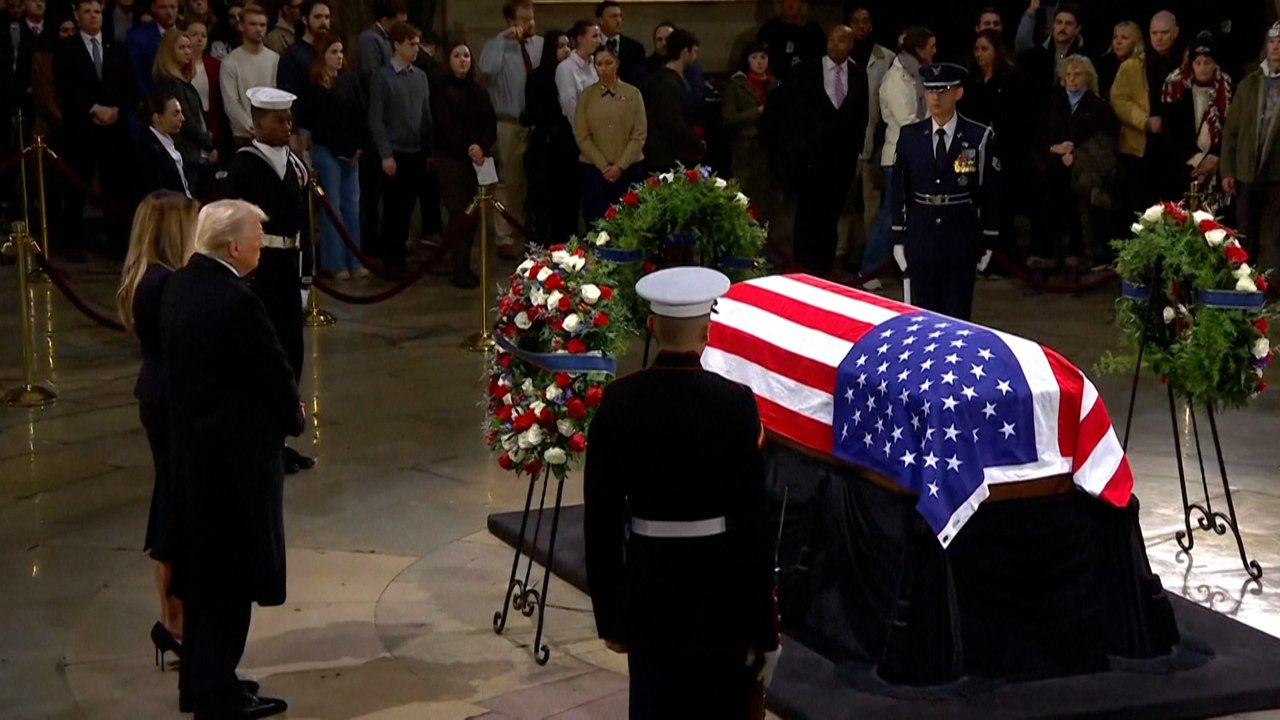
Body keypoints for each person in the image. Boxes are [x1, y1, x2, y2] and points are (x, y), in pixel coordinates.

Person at [584, 266, 780, 719]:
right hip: (720, 600)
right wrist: (763, 630)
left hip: (648, 594)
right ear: (707, 330)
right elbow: (752, 528)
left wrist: (611, 615)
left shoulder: (619, 402)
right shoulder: (735, 403)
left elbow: (601, 522)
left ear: (652, 327)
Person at [161, 198, 301, 719]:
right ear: (234, 246)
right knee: (229, 584)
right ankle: (218, 696)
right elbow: (273, 369)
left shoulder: (180, 286)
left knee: (202, 583)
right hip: (234, 466)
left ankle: (201, 683)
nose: (263, 247)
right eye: (258, 239)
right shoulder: (237, 301)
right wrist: (294, 416)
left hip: (194, 460)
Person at [115, 189, 199, 674]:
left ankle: (174, 622)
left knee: (168, 504)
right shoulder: (164, 284)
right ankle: (175, 623)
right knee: (171, 511)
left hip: (158, 395)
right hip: (170, 401)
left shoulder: (146, 278)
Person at [226, 86, 315, 475]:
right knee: (263, 355)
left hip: (289, 266)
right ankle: (261, 442)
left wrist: (307, 275)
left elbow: (306, 224)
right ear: (257, 123)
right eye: (278, 120)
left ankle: (279, 438)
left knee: (290, 355)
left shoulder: (294, 164)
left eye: (289, 119)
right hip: (260, 269)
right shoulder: (244, 166)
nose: (286, 126)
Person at [890, 63, 1000, 320]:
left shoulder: (978, 136)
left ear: (958, 94)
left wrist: (989, 238)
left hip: (959, 235)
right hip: (922, 234)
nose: (936, 97)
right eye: (930, 91)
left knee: (957, 313)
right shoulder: (910, 135)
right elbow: (899, 189)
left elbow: (991, 192)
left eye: (944, 90)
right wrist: (897, 235)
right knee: (923, 314)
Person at [53, 0, 132, 262]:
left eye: (97, 11)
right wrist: (93, 108)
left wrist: (116, 109)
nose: (93, 16)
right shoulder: (66, 48)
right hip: (81, 128)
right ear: (77, 17)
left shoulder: (117, 49)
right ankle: (72, 242)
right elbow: (64, 88)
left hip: (114, 129)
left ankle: (117, 242)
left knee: (115, 185)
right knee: (76, 185)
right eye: (87, 12)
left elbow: (127, 85)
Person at [787, 25, 868, 278]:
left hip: (841, 162)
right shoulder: (806, 71)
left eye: (841, 40)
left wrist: (854, 152)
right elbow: (795, 115)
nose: (834, 45)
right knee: (807, 215)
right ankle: (802, 267)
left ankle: (824, 269)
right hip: (809, 160)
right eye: (831, 40)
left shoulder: (857, 74)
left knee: (831, 217)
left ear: (851, 45)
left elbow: (861, 117)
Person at [1029, 55, 1116, 277]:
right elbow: (1039, 136)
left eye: (1077, 75)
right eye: (1067, 75)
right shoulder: (1052, 104)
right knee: (1046, 192)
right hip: (1054, 167)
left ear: (1087, 77)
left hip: (1084, 171)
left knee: (1077, 199)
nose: (1072, 79)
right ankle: (1047, 253)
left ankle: (1078, 254)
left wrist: (1076, 155)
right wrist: (1053, 149)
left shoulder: (1098, 107)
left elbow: (1105, 143)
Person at [860, 26, 933, 287]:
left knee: (915, 216)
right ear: (918, 48)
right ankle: (868, 269)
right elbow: (906, 121)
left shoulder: (918, 76)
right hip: (898, 158)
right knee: (891, 216)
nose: (934, 51)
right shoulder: (895, 78)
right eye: (930, 46)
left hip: (919, 156)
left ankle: (910, 266)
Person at [478, 0, 543, 261]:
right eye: (523, 19)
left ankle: (527, 230)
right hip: (508, 121)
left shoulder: (539, 45)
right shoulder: (498, 46)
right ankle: (505, 236)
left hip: (535, 123)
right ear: (510, 21)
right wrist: (502, 40)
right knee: (508, 181)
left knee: (530, 183)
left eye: (531, 18)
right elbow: (486, 69)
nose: (529, 23)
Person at [431, 40, 497, 290]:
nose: (462, 60)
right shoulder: (441, 90)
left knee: (474, 215)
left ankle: (464, 263)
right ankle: (459, 267)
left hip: (477, 160)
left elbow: (490, 124)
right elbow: (444, 126)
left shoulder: (478, 91)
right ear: (448, 60)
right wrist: (469, 148)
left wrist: (481, 146)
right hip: (452, 158)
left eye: (467, 56)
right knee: (460, 214)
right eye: (457, 55)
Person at [301, 33, 366, 280]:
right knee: (333, 209)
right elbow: (319, 124)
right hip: (327, 150)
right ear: (322, 57)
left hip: (350, 152)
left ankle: (355, 260)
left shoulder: (349, 82)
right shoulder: (316, 88)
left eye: (341, 52)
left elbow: (359, 114)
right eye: (333, 53)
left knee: (352, 206)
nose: (339, 57)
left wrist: (357, 145)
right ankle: (335, 263)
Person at [368, 22, 432, 272]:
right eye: (411, 44)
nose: (416, 49)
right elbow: (376, 118)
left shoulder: (420, 76)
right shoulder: (382, 77)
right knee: (394, 209)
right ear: (396, 45)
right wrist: (386, 154)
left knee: (408, 209)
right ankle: (390, 260)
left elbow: (425, 115)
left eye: (417, 44)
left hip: (416, 151)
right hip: (394, 151)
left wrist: (428, 150)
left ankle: (402, 255)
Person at [1221, 21, 1280, 266]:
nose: (1276, 47)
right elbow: (1231, 131)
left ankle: (1272, 288)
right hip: (1247, 172)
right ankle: (1245, 287)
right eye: (1272, 41)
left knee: (1274, 236)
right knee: (1245, 233)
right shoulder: (1249, 84)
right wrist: (1228, 170)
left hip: (1277, 176)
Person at [843, 5, 894, 284]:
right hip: (846, 145)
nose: (862, 26)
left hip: (874, 143)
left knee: (873, 207)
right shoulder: (841, 58)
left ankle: (869, 261)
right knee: (844, 205)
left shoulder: (886, 58)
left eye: (866, 21)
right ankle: (841, 256)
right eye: (856, 21)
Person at [575, 44, 646, 223]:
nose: (604, 69)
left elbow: (639, 134)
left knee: (630, 222)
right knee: (597, 222)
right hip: (595, 170)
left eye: (608, 63)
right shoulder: (586, 96)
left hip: (629, 169)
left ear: (617, 63)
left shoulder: (633, 94)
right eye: (599, 64)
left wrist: (620, 166)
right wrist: (603, 165)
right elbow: (582, 135)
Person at [1158, 31, 1230, 202]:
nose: (1202, 68)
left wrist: (1215, 157)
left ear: (1215, 64)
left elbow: (1232, 130)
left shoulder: (1226, 89)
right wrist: (1198, 161)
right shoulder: (1175, 88)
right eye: (1198, 63)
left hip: (1216, 168)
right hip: (1182, 168)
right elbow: (1171, 132)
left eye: (1207, 62)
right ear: (1191, 64)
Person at [523, 29, 578, 247]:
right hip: (545, 146)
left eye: (568, 46)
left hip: (568, 145)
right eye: (561, 46)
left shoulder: (571, 73)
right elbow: (534, 110)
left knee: (568, 198)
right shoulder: (538, 77)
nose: (566, 50)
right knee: (544, 198)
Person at [153, 28, 216, 191]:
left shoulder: (182, 83)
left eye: (189, 47)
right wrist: (208, 145)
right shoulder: (170, 83)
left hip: (194, 153)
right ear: (168, 52)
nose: (188, 52)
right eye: (182, 48)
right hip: (185, 153)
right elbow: (186, 119)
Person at [721, 43, 777, 227]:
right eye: (755, 58)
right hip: (744, 148)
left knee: (767, 196)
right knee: (743, 194)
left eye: (763, 57)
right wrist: (758, 111)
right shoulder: (736, 85)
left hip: (769, 147)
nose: (759, 62)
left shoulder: (774, 84)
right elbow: (728, 119)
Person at [640, 28, 702, 173]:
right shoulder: (666, 83)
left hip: (671, 152)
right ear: (685, 52)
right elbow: (671, 121)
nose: (695, 57)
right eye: (695, 52)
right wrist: (695, 142)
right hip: (663, 155)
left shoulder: (671, 78)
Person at [220, 3, 278, 147]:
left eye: (262, 25)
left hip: (273, 134)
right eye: (253, 24)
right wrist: (252, 127)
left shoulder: (275, 59)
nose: (258, 29)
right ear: (242, 26)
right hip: (244, 137)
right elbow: (231, 103)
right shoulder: (230, 62)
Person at [134, 90, 194, 199]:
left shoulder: (173, 142)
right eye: (176, 113)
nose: (182, 118)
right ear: (157, 118)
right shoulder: (149, 151)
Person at [183, 19, 230, 158]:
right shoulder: (179, 66)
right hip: (187, 126)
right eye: (194, 34)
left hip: (212, 124)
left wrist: (213, 130)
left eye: (203, 35)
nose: (199, 39)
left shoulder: (215, 65)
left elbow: (218, 102)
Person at [755, 0, 823, 82]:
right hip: (775, 85)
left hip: (807, 84)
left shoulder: (814, 31)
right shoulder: (769, 29)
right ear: (781, 3)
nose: (790, 3)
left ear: (800, 2)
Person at [275, 0, 328, 98]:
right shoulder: (292, 55)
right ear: (305, 19)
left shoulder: (331, 51)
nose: (323, 21)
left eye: (327, 17)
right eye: (318, 17)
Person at [126, 0, 178, 97]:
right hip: (150, 101)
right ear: (154, 8)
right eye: (163, 7)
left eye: (173, 7)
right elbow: (135, 75)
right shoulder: (137, 37)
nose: (169, 12)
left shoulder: (187, 33)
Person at [556, 19, 600, 123]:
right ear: (580, 39)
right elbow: (569, 105)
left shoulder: (596, 64)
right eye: (594, 37)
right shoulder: (566, 67)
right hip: (579, 131)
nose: (599, 41)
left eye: (599, 36)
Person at [595, 0, 644, 84]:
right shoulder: (593, 47)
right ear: (601, 20)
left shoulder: (635, 48)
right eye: (613, 16)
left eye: (620, 16)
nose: (619, 21)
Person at [1097, 20, 1142, 101]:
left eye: (1124, 38)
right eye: (1115, 37)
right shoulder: (1103, 64)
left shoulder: (1142, 65)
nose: (1118, 42)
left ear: (1135, 42)